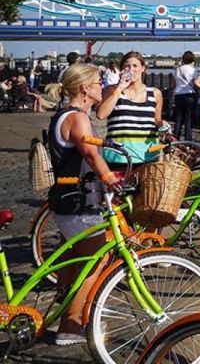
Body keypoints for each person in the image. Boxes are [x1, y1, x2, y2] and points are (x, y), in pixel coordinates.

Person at [46, 63, 121, 344]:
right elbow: (90, 154)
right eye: (98, 82)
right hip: (79, 201)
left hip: (65, 200)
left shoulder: (62, 114)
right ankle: (72, 326)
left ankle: (59, 316)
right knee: (98, 259)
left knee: (71, 263)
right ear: (84, 88)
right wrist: (109, 177)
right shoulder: (78, 117)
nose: (102, 85)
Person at [95, 51, 164, 168]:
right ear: (122, 70)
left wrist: (163, 124)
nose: (131, 69)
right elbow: (101, 115)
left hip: (148, 154)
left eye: (135, 66)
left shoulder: (155, 93)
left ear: (143, 68)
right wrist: (120, 87)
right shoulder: (112, 90)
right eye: (127, 66)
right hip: (118, 155)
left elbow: (156, 119)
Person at [172, 51, 199, 141]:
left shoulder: (177, 70)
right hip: (190, 94)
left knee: (178, 118)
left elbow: (173, 84)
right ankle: (188, 140)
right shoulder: (193, 70)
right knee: (189, 118)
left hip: (178, 95)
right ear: (192, 59)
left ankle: (175, 138)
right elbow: (195, 83)